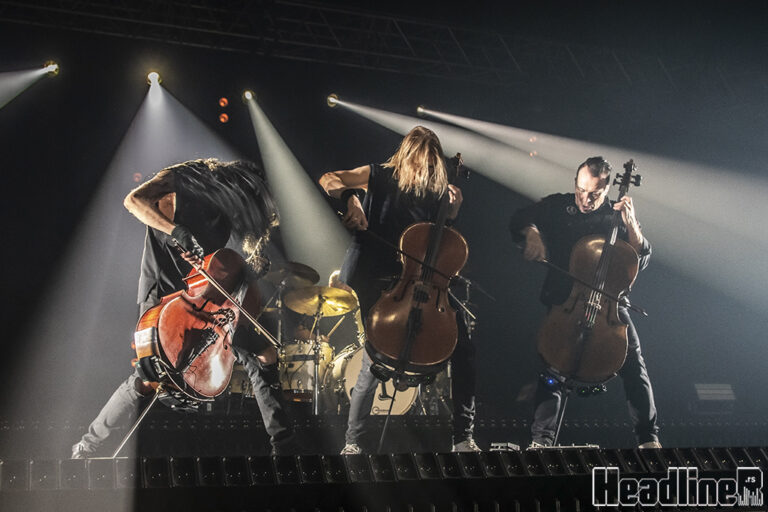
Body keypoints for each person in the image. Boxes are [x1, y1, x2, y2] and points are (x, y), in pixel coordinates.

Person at [71, 158, 296, 457]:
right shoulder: (184, 179)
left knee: (265, 354)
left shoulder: (228, 213)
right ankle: (88, 446)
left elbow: (222, 266)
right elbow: (133, 201)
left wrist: (251, 269)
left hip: (207, 302)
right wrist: (176, 231)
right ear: (233, 184)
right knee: (150, 378)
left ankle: (284, 448)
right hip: (164, 293)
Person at [319, 126, 478, 453]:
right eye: (419, 166)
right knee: (375, 360)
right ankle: (353, 443)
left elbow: (442, 245)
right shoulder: (380, 174)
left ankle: (463, 436)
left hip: (422, 284)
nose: (424, 175)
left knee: (464, 349)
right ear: (406, 158)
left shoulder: (439, 190)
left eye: (431, 168)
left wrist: (453, 213)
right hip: (376, 275)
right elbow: (329, 178)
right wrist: (352, 199)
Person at [509, 156, 660, 448]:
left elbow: (641, 257)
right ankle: (542, 442)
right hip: (566, 300)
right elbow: (519, 218)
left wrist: (631, 224)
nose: (585, 198)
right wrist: (532, 233)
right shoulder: (558, 206)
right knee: (553, 367)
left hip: (609, 306)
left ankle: (648, 439)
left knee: (633, 363)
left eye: (595, 193)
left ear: (607, 188)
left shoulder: (613, 216)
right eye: (581, 190)